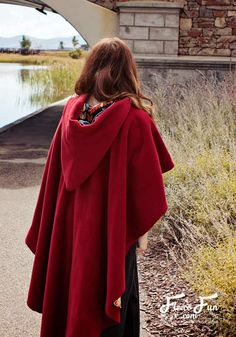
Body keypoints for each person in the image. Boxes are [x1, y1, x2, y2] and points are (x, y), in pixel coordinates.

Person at [24, 37, 174, 337]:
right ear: (127, 71)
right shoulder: (136, 119)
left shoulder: (69, 114)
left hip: (69, 231)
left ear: (91, 68)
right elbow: (146, 188)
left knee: (71, 292)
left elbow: (54, 180)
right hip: (113, 235)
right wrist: (141, 234)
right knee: (112, 304)